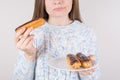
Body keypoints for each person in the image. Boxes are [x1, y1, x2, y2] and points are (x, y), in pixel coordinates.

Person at [13, 0, 100, 80]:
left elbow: (94, 77)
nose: (58, 1)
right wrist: (29, 55)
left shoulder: (86, 32)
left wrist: (86, 73)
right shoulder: (33, 34)